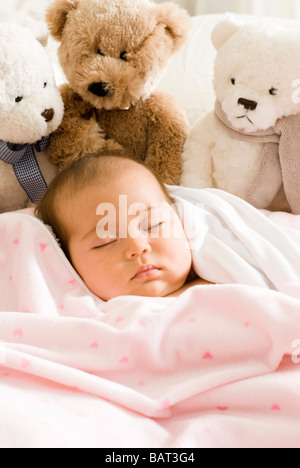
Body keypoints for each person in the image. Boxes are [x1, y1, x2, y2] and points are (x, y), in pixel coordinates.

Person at [35, 154, 211, 301]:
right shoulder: (81, 320)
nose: (138, 247)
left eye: (153, 224)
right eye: (105, 241)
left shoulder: (226, 280)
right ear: (68, 263)